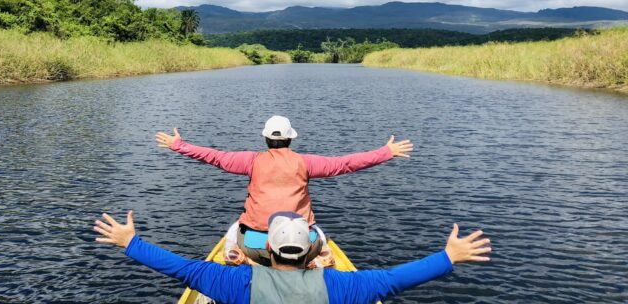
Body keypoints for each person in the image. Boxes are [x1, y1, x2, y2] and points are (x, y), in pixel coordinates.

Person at [155, 115, 413, 264]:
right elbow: (345, 164)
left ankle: (235, 255)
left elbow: (214, 156)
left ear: (266, 139)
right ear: (290, 138)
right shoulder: (306, 163)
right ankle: (320, 258)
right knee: (318, 232)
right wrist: (386, 152)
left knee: (235, 229)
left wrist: (180, 145)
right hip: (301, 247)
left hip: (254, 245)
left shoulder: (251, 161)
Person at [93, 209, 491, 304]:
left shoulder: (235, 282)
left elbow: (180, 268)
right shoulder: (339, 286)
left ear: (267, 248)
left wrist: (130, 242)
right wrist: (448, 257)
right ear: (316, 250)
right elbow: (392, 280)